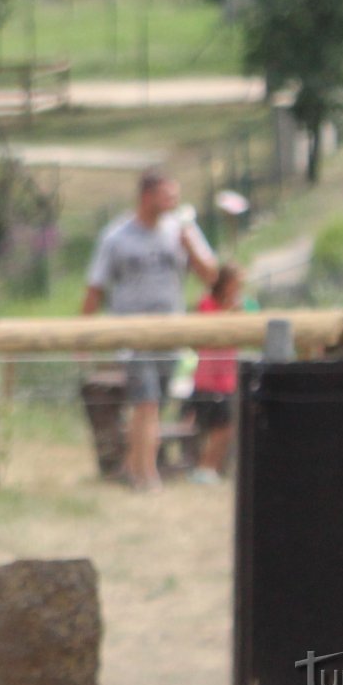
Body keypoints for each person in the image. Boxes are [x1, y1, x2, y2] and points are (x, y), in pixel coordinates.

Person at [81, 167, 217, 492]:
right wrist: (83, 334)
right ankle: (146, 475)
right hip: (132, 335)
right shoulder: (116, 236)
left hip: (172, 334)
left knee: (156, 400)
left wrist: (190, 243)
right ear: (146, 196)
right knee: (147, 402)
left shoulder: (182, 231)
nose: (174, 200)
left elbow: (212, 277)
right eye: (167, 194)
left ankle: (132, 465)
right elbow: (96, 287)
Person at [189, 264, 246, 483]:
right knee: (219, 427)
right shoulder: (207, 304)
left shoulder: (238, 306)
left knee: (226, 427)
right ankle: (204, 467)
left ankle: (211, 467)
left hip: (228, 378)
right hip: (208, 378)